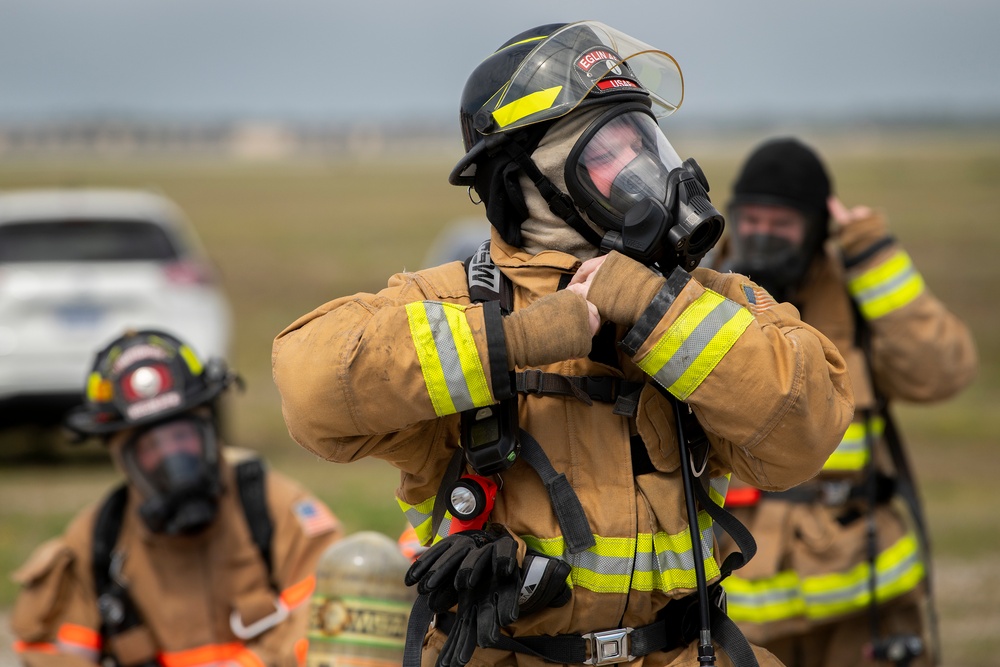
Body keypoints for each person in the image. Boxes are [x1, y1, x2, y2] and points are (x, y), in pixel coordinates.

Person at [272, 21, 854, 667]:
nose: (645, 171)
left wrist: (657, 310)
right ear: (528, 179)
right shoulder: (452, 303)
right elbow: (310, 386)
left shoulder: (706, 299)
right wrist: (514, 338)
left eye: (646, 144)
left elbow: (807, 430)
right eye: (610, 152)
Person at [713, 137, 977, 667]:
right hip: (744, 605)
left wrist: (873, 255)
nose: (761, 235)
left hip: (864, 600)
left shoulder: (860, 294)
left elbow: (942, 373)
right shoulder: (705, 294)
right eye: (750, 218)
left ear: (815, 227)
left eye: (781, 222)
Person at [10, 329, 341, 667]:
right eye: (150, 448)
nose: (173, 459)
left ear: (209, 430)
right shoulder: (95, 541)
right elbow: (50, 654)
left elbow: (334, 616)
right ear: (121, 458)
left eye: (182, 437)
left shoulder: (273, 506)